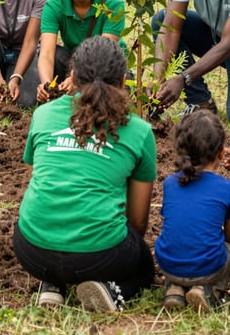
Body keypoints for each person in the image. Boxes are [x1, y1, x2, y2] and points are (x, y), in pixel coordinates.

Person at [14, 36, 156, 312]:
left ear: (72, 76)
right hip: (100, 255)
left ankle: (52, 284)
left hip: (32, 248)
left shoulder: (43, 115)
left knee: (57, 243)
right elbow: (138, 221)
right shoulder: (139, 131)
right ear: (123, 81)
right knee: (144, 264)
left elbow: (35, 179)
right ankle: (110, 291)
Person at [155, 110, 230, 312]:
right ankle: (211, 290)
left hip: (167, 264)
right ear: (221, 153)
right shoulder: (228, 187)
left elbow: (175, 223)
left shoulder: (170, 183)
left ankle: (174, 288)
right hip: (208, 269)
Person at [36, 0, 126, 102]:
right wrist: (47, 85)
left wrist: (75, 78)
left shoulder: (113, 4)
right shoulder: (54, 6)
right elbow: (47, 53)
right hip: (74, 61)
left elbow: (103, 54)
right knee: (56, 56)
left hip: (106, 64)